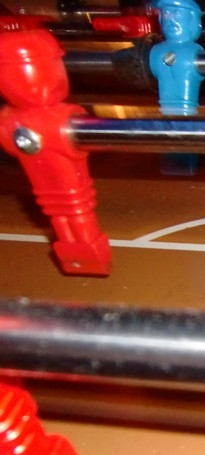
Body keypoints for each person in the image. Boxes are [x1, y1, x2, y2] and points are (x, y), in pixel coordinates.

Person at [0, 29, 111, 275]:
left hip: (59, 155)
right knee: (67, 209)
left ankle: (83, 253)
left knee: (72, 207)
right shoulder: (13, 121)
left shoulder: (19, 121)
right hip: (55, 171)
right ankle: (81, 254)